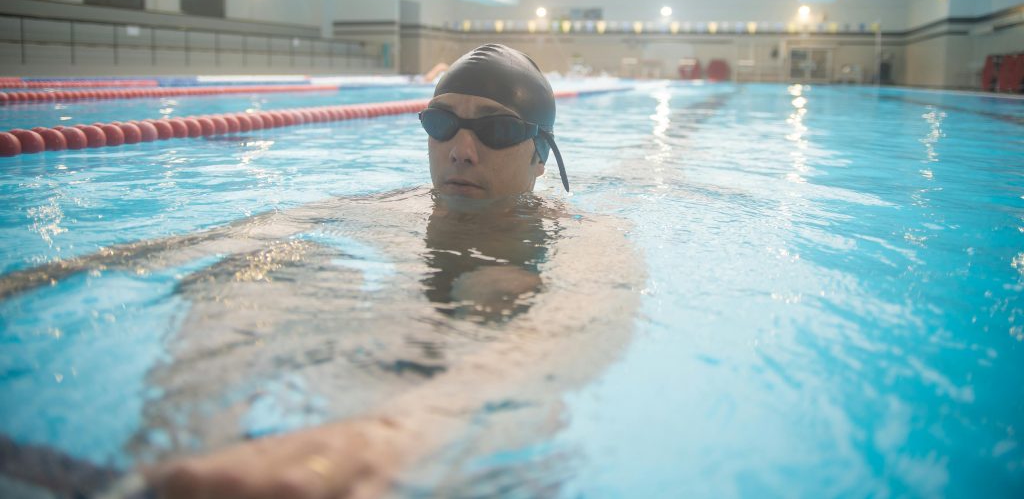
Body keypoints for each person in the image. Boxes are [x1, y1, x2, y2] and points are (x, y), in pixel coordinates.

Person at [6, 45, 643, 499]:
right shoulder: (383, 209)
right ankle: (173, 459)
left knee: (502, 288)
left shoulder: (581, 238)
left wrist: (395, 433)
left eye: (497, 129)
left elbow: (575, 324)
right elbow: (211, 242)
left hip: (467, 420)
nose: (461, 148)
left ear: (540, 155)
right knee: (267, 266)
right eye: (442, 122)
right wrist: (41, 277)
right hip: (361, 365)